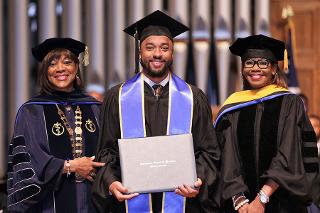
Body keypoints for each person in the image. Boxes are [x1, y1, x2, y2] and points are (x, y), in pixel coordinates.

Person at [91, 10, 220, 213]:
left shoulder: (193, 97)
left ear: (172, 53)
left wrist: (198, 180)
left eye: (164, 48)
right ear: (140, 52)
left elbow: (209, 152)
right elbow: (106, 150)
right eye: (150, 47)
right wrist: (111, 182)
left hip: (184, 201)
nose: (157, 54)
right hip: (130, 201)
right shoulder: (118, 97)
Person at [214, 34, 319, 213]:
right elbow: (227, 156)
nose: (255, 68)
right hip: (240, 206)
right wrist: (239, 199)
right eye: (249, 62)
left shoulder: (290, 103)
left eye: (263, 62)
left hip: (282, 202)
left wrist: (261, 198)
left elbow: (289, 153)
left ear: (273, 69)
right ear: (242, 69)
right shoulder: (232, 107)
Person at [7, 38, 105, 212]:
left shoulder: (95, 107)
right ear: (45, 72)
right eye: (52, 64)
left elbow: (109, 151)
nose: (61, 68)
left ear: (76, 68)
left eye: (67, 62)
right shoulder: (31, 111)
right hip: (48, 205)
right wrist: (69, 166)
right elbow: (29, 161)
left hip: (93, 201)